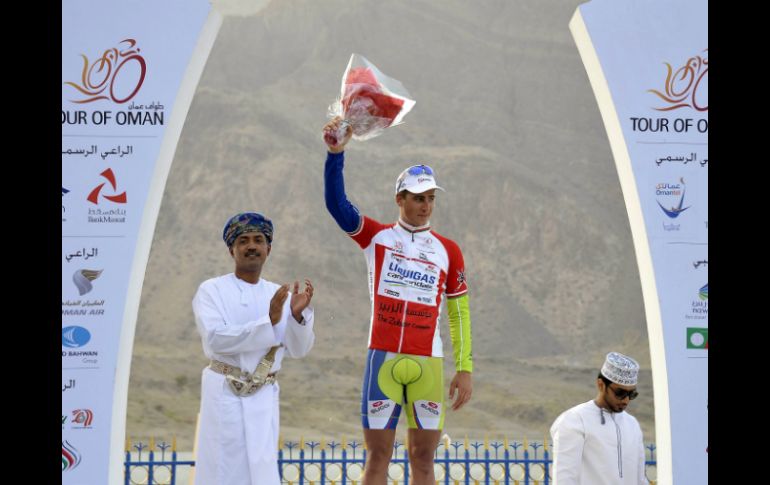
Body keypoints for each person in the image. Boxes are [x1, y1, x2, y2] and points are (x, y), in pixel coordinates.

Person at [322, 118, 473, 485]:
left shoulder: (448, 251)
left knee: (423, 461)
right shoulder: (377, 238)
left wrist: (464, 367)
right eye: (418, 198)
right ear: (400, 199)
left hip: (429, 364)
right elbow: (336, 204)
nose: (426, 205)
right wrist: (335, 154)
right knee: (378, 459)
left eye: (431, 198)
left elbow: (459, 314)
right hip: (383, 360)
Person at [192, 212, 315, 485]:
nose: (251, 246)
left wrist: (296, 317)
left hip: (263, 395)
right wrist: (268, 322)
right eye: (243, 240)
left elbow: (298, 349)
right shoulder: (211, 290)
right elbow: (215, 338)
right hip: (225, 391)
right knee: (223, 471)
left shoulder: (281, 295)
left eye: (258, 240)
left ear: (268, 249)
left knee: (262, 473)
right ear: (231, 250)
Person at [550, 352, 649, 485]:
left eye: (631, 394)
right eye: (620, 393)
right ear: (601, 385)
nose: (626, 400)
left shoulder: (632, 424)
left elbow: (640, 478)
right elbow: (564, 477)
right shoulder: (575, 420)